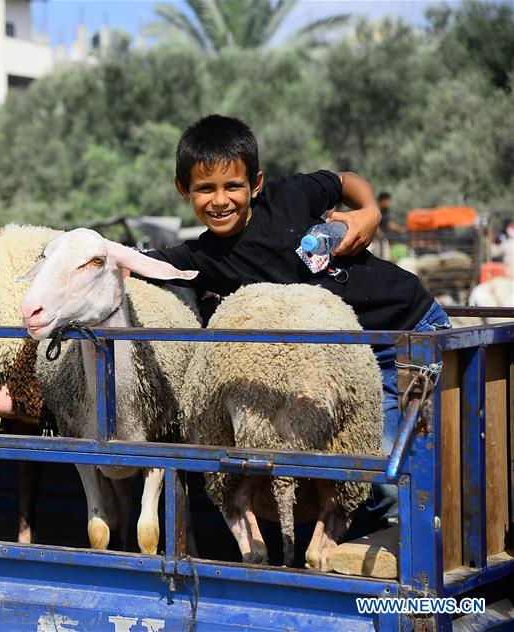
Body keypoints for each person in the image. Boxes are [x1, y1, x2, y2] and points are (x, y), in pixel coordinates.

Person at [141, 114, 451, 531]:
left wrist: (369, 211)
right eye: (205, 189)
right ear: (184, 191)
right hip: (356, 365)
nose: (220, 200)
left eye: (233, 186)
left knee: (458, 447)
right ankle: (397, 552)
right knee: (379, 479)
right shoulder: (204, 258)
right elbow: (141, 265)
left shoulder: (290, 196)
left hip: (415, 325)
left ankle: (443, 543)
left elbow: (345, 179)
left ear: (256, 183)